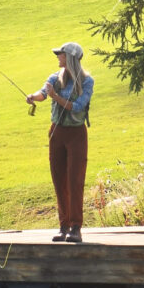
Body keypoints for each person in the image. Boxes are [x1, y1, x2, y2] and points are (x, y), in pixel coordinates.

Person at [27, 41, 94, 242]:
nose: (58, 57)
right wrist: (33, 97)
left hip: (76, 135)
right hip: (56, 133)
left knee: (75, 180)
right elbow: (43, 93)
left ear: (71, 58)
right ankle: (63, 226)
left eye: (61, 54)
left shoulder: (87, 81)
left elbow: (78, 106)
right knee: (59, 180)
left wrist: (55, 96)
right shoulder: (55, 78)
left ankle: (76, 227)